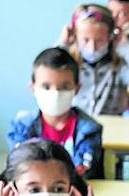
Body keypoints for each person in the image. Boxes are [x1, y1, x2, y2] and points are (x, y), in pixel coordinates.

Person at [8, 48, 104, 178]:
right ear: (33, 88)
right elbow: (20, 167)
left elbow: (84, 169)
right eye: (46, 86)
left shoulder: (89, 130)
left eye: (64, 87)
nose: (55, 94)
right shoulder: (21, 127)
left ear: (77, 89)